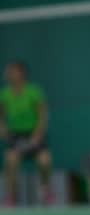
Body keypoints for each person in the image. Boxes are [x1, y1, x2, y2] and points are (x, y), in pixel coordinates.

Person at [0, 61, 52, 207]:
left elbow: (43, 114)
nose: (11, 74)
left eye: (14, 71)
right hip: (16, 136)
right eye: (9, 72)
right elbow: (1, 116)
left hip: (34, 134)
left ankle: (45, 190)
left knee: (45, 160)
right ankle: (11, 196)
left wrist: (38, 134)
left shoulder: (34, 91)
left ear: (22, 73)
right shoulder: (4, 94)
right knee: (10, 160)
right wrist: (2, 129)